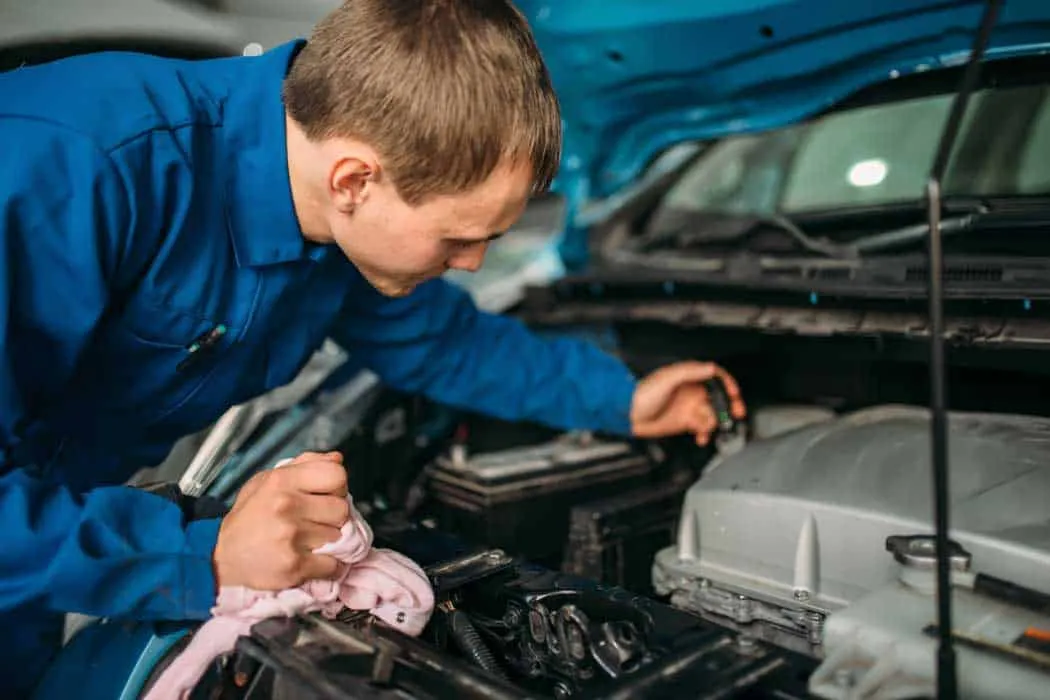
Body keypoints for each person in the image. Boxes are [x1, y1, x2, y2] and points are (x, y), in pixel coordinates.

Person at [0, 0, 745, 695]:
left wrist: (625, 399)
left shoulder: (334, 216)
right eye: (460, 237)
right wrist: (198, 554)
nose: (474, 263)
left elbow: (444, 341)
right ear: (355, 178)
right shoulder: (69, 170)